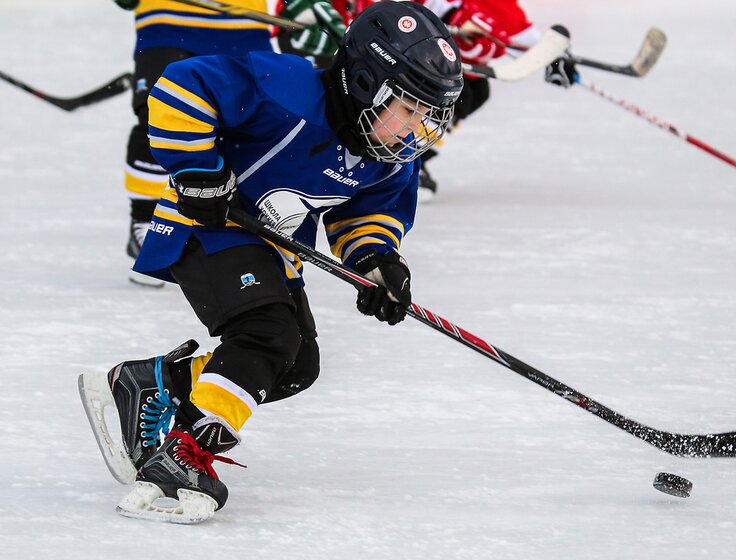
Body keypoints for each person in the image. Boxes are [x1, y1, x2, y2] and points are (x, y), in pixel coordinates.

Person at [79, 0, 464, 524]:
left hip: (271, 246)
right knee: (266, 335)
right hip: (206, 225)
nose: (416, 129)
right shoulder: (287, 87)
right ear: (367, 82)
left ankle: (153, 382)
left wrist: (376, 266)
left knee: (296, 366)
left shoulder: (386, 155)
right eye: (408, 108)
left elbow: (366, 214)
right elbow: (181, 86)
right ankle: (187, 452)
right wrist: (197, 170)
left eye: (427, 116)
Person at [329, 0, 578, 201]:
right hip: (340, 58)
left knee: (466, 89)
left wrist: (547, 53)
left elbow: (507, 22)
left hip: (384, 60)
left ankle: (401, 162)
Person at [113, 0, 275, 287]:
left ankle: (231, 233)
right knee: (159, 113)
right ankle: (146, 220)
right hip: (165, 21)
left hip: (245, 26)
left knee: (250, 125)